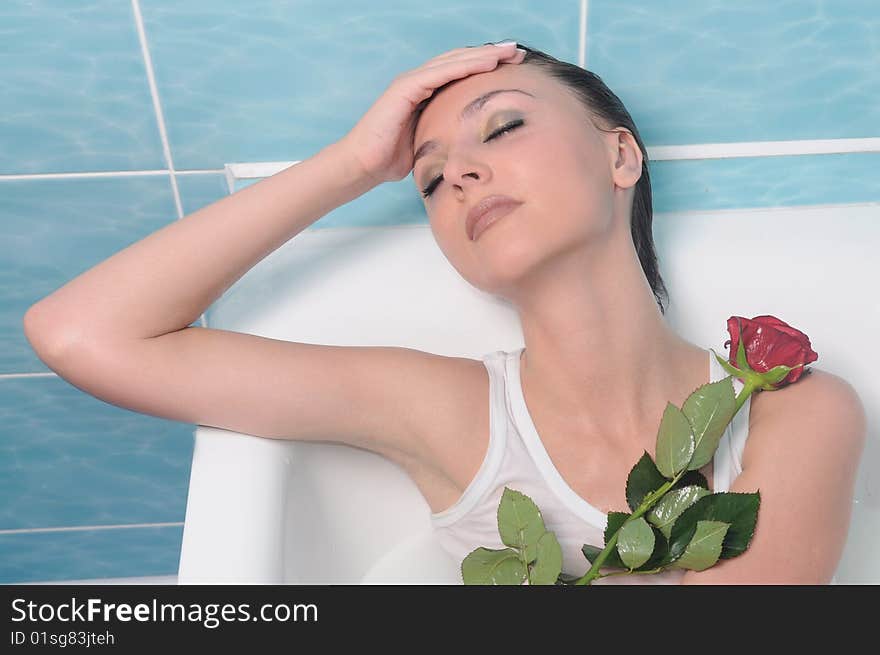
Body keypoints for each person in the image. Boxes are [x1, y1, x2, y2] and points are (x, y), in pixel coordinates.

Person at [23, 41, 866, 584]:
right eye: (429, 177)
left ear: (619, 153)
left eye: (500, 129)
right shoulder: (448, 412)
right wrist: (354, 164)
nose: (459, 174)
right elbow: (80, 333)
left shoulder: (793, 410)